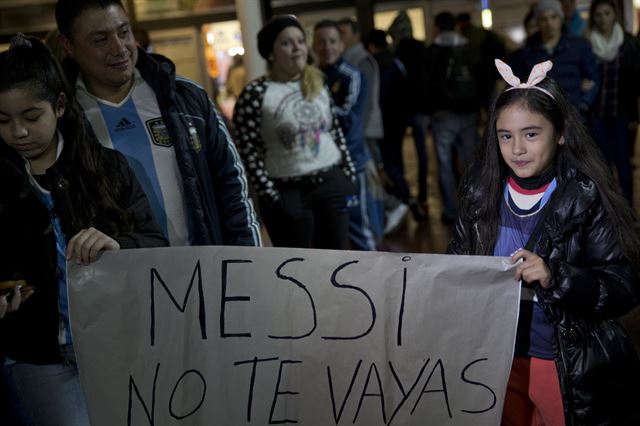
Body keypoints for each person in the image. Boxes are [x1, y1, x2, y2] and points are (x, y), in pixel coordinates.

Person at [448, 59, 640, 425]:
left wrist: (557, 276)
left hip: (560, 361)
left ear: (561, 133)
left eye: (531, 134)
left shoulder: (585, 199)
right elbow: (456, 264)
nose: (517, 148)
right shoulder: (479, 195)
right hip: (495, 359)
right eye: (506, 136)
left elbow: (624, 284)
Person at [0, 34, 168, 425]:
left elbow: (155, 243)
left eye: (31, 116)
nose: (18, 132)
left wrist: (117, 244)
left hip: (119, 345)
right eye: (3, 121)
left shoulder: (108, 168)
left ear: (59, 106)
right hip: (38, 356)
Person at [55, 0, 262, 247]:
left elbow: (233, 188)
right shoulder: (62, 118)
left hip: (202, 267)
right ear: (68, 45)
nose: (119, 48)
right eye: (100, 40)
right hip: (122, 279)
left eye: (124, 32)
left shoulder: (184, 98)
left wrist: (247, 263)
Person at [233, 15, 356, 249]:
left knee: (338, 261)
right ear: (270, 53)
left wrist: (347, 175)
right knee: (297, 268)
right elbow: (248, 151)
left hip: (330, 184)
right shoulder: (256, 93)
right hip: (288, 192)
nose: (297, 48)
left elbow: (335, 132)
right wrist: (272, 196)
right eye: (287, 43)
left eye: (300, 41)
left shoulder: (318, 82)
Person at [313, 20, 378, 251]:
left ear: (342, 45)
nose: (327, 47)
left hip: (350, 162)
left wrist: (317, 105)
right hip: (319, 165)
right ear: (314, 46)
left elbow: (349, 120)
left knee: (358, 226)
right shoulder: (312, 77)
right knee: (328, 231)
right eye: (321, 42)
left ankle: (375, 281)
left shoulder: (352, 75)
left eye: (332, 41)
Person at [429, 11, 488, 224]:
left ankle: (450, 211)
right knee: (472, 162)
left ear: (436, 26)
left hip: (443, 114)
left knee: (444, 163)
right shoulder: (469, 48)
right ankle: (475, 206)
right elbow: (483, 77)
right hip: (469, 112)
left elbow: (428, 83)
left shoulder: (433, 50)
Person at [337, 17, 388, 230]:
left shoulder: (361, 61)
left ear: (355, 35)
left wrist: (356, 132)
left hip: (364, 131)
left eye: (343, 33)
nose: (340, 38)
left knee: (371, 182)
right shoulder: (346, 61)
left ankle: (378, 228)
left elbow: (364, 105)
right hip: (359, 131)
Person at [509, 0, 599, 119]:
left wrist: (583, 104)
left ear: (561, 18)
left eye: (553, 17)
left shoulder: (579, 46)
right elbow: (517, 85)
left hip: (573, 114)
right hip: (540, 115)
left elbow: (594, 78)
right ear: (538, 23)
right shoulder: (527, 52)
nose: (549, 23)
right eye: (543, 19)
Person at [587, 0, 640, 203]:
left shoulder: (629, 44)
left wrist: (635, 116)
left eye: (607, 13)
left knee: (623, 162)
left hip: (622, 112)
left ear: (615, 15)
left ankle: (628, 208)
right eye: (598, 15)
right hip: (597, 114)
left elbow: (635, 83)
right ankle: (610, 210)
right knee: (603, 164)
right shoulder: (588, 43)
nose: (603, 19)